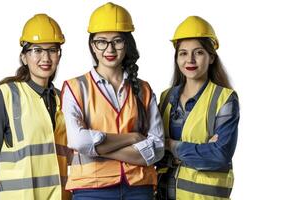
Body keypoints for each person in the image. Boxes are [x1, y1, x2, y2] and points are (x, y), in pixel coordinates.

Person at [61, 2, 164, 200]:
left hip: (139, 188)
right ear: (92, 45)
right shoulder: (75, 87)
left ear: (127, 44)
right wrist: (132, 138)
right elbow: (78, 141)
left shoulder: (143, 89)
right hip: (91, 190)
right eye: (101, 41)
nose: (110, 49)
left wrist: (96, 149)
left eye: (117, 41)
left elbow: (157, 149)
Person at [0, 14, 71, 200]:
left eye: (52, 50)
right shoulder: (5, 95)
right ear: (24, 57)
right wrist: (16, 190)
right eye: (37, 50)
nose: (45, 57)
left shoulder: (64, 98)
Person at [156, 16, 239, 200]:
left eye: (198, 52)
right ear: (177, 58)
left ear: (211, 57)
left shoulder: (224, 98)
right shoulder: (166, 97)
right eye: (183, 53)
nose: (190, 60)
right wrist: (198, 151)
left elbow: (219, 155)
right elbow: (153, 150)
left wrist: (170, 145)